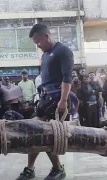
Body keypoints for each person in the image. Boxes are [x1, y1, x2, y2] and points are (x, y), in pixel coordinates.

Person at [15, 23, 74, 180]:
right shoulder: (46, 55)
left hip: (56, 99)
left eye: (38, 42)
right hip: (44, 99)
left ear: (46, 36)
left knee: (47, 135)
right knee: (35, 131)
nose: (38, 46)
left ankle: (58, 168)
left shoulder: (63, 51)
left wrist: (63, 100)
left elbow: (67, 78)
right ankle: (30, 168)